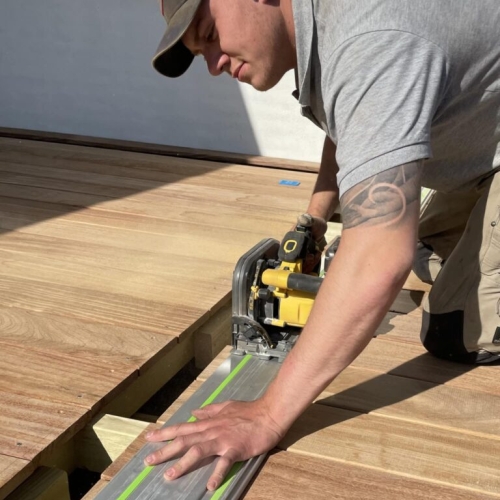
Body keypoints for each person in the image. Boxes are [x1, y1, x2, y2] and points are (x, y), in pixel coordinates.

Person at [145, 0, 500, 491]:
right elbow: (357, 121)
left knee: (455, 327)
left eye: (209, 33)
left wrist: (268, 413)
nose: (213, 64)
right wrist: (315, 218)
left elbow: (379, 257)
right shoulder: (336, 24)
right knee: (425, 247)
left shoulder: (369, 37)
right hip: (482, 158)